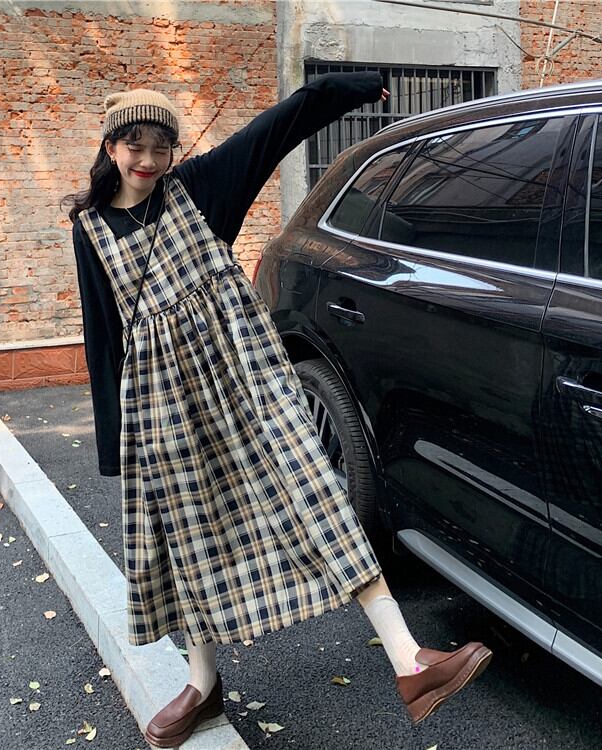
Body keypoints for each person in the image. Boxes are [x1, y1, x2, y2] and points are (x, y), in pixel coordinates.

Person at [65, 73, 491, 748]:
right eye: (134, 144)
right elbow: (102, 335)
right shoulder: (89, 228)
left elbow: (280, 127)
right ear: (110, 146)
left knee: (313, 493)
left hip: (246, 380)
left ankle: (410, 661)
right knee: (187, 532)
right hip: (163, 400)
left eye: (160, 145)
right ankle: (202, 686)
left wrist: (352, 88)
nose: (148, 159)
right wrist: (116, 442)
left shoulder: (200, 187)